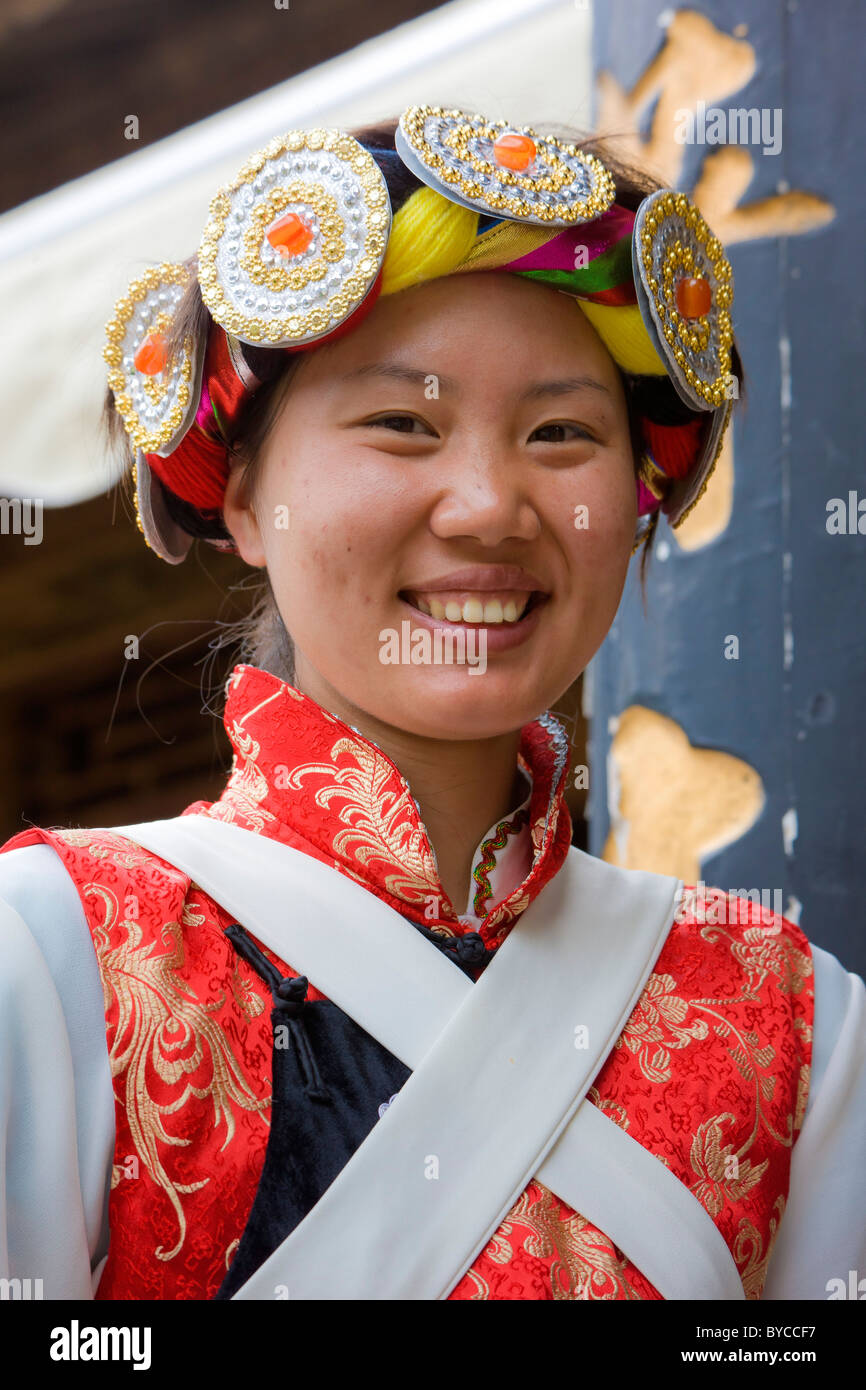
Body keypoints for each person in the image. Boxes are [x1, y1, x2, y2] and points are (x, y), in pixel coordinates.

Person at [0, 107, 863, 1302]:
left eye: (559, 432)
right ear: (245, 498)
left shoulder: (793, 1018)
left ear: (634, 501)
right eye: (402, 424)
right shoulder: (52, 955)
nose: (484, 505)